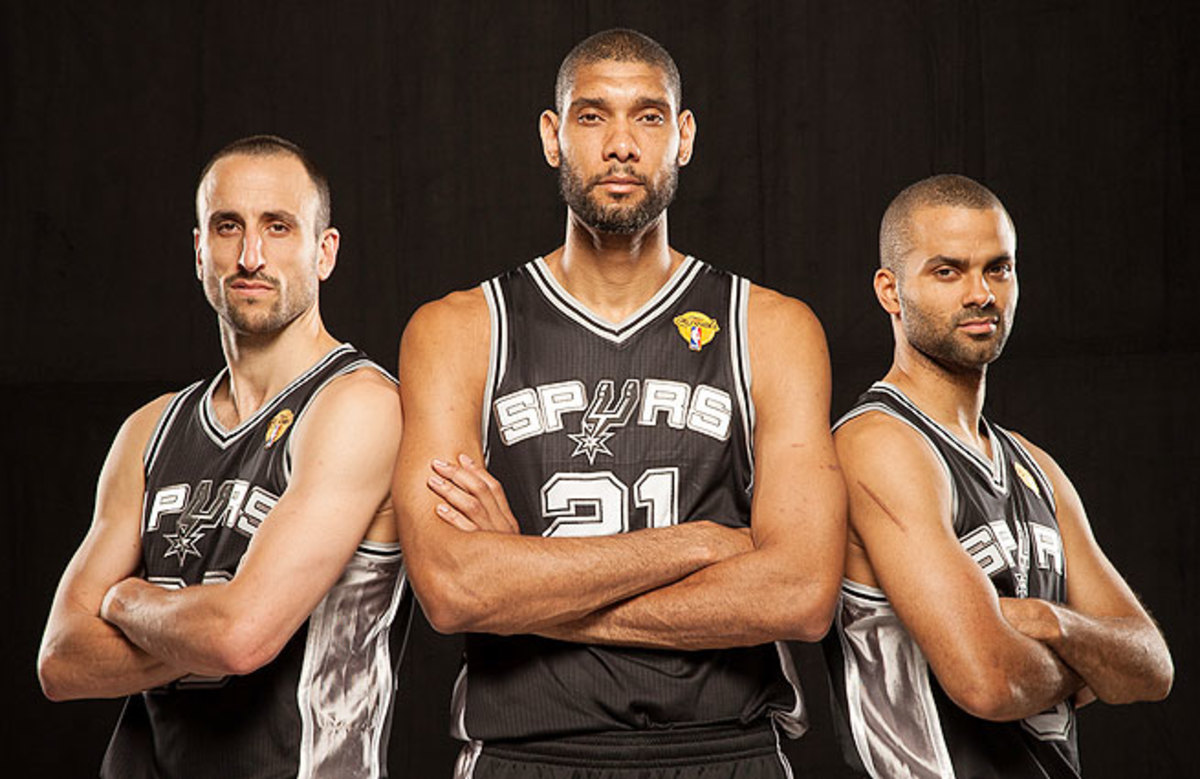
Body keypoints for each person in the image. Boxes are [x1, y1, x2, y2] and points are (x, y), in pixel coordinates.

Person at [394, 28, 846, 778]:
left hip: (726, 751)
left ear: (684, 136)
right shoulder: (461, 329)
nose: (621, 145)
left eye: (648, 116)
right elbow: (454, 589)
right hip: (528, 752)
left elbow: (799, 593)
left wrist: (529, 579)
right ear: (552, 135)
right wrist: (703, 541)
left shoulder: (769, 326)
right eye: (592, 115)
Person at [37, 135, 408, 779]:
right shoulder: (150, 430)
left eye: (278, 227)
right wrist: (207, 627)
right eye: (228, 226)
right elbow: (61, 662)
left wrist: (125, 601)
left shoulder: (357, 407)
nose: (251, 255)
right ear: (200, 250)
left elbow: (242, 637)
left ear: (325, 252)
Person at [823, 174, 1173, 778]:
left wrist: (1048, 620)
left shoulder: (1035, 467)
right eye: (947, 271)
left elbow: (1151, 666)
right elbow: (986, 679)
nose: (981, 293)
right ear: (890, 290)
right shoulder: (878, 444)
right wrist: (1089, 663)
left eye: (998, 269)